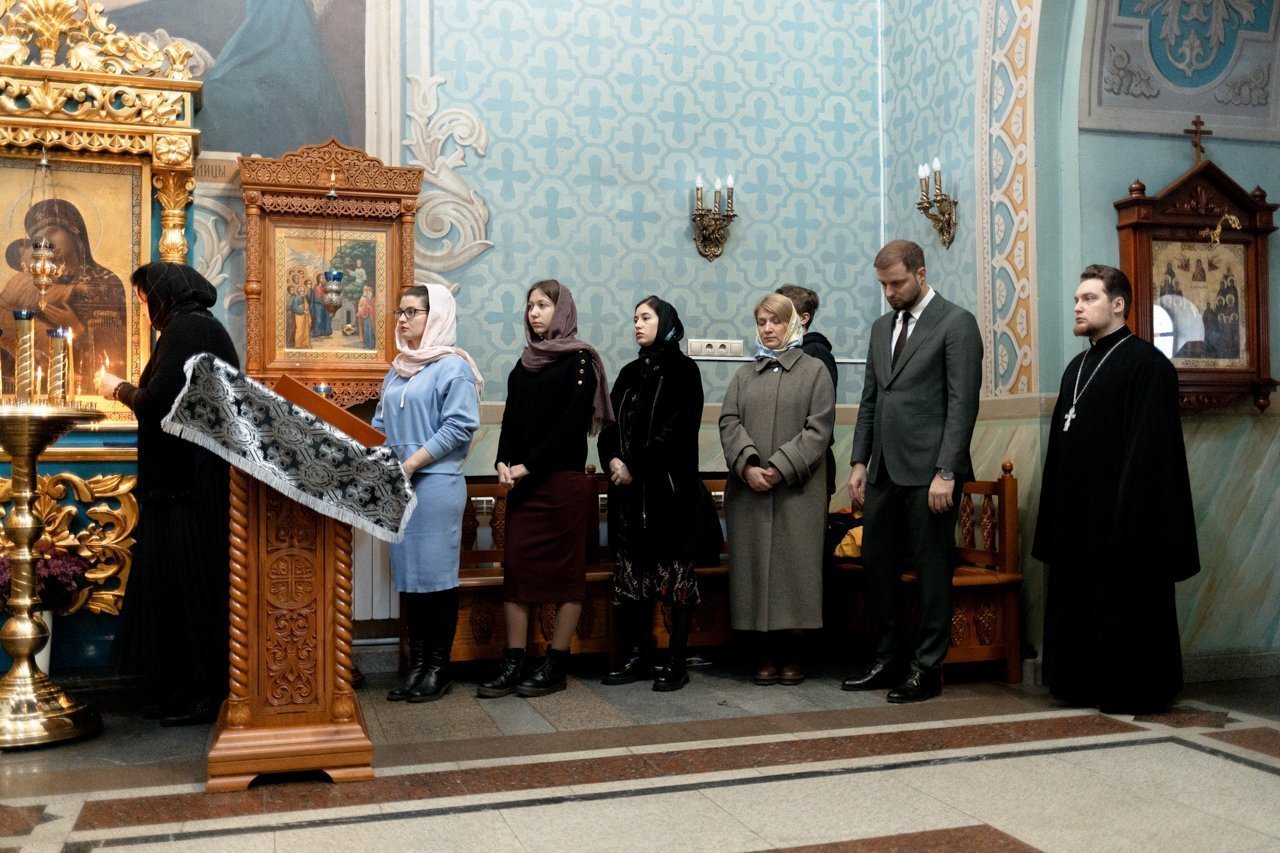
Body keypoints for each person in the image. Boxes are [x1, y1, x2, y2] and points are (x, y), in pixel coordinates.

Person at [1033, 264, 1199, 714]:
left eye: (1089, 298)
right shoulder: (1077, 366)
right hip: (1077, 517)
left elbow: (1151, 454)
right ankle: (1079, 683)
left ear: (1118, 304)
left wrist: (1126, 517)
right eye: (1076, 299)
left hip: (1123, 520)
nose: (1078, 306)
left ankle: (1131, 688)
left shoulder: (1148, 366)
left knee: (1125, 607)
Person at [98, 262, 239, 726]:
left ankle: (205, 693)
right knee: (173, 592)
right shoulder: (192, 327)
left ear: (164, 294)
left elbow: (158, 402)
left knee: (190, 590)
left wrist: (116, 389)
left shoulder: (188, 330)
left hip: (188, 487)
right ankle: (178, 688)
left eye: (146, 300)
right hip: (179, 484)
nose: (145, 310)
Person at [843, 239, 982, 703]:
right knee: (876, 562)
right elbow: (871, 398)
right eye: (883, 285)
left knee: (930, 569)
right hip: (883, 468)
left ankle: (927, 668)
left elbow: (962, 404)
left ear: (921, 274)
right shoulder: (882, 327)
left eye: (897, 283)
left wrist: (948, 470)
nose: (889, 292)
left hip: (930, 474)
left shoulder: (956, 322)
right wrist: (859, 461)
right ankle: (888, 659)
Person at [478, 279, 613, 698]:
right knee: (517, 570)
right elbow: (511, 421)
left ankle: (556, 662)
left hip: (562, 483)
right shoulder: (524, 365)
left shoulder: (580, 361)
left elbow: (570, 425)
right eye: (530, 306)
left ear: (562, 310)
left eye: (542, 305)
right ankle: (514, 661)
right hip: (525, 485)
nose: (533, 313)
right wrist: (502, 460)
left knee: (566, 575)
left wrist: (528, 465)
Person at [372, 284, 482, 703]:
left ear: (435, 316)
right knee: (411, 581)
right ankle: (417, 668)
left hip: (435, 484)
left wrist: (412, 463)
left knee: (436, 581)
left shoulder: (453, 367)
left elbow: (459, 427)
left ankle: (438, 669)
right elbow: (380, 426)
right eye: (399, 312)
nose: (402, 320)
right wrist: (379, 461)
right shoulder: (397, 370)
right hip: (399, 487)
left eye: (412, 312)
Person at [719, 293, 834, 685]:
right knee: (753, 572)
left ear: (793, 324)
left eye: (776, 321)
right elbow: (728, 422)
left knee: (795, 572)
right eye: (761, 322)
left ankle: (794, 655)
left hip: (797, 493)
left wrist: (780, 468)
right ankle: (763, 654)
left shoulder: (814, 371)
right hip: (749, 492)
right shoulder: (743, 375)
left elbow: (818, 429)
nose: (768, 329)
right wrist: (748, 465)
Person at [597, 296, 705, 692]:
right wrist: (612, 460)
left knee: (674, 579)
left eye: (646, 317)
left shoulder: (684, 370)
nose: (637, 325)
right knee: (634, 577)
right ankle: (639, 655)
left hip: (669, 495)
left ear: (666, 322)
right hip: (629, 497)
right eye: (635, 318)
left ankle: (676, 660)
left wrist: (634, 465)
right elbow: (609, 425)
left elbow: (678, 432)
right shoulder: (630, 372)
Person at [776, 284, 838, 497]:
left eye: (781, 315)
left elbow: (821, 416)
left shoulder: (817, 353)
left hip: (808, 465)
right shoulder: (776, 355)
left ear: (804, 318)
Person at [357, 284, 376, 349]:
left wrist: (370, 307)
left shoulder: (374, 298)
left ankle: (371, 345)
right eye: (367, 290)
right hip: (365, 316)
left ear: (372, 291)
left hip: (372, 317)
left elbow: (375, 307)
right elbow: (361, 306)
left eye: (369, 290)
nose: (368, 291)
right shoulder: (365, 298)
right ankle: (366, 344)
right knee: (366, 330)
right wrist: (360, 311)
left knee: (371, 330)